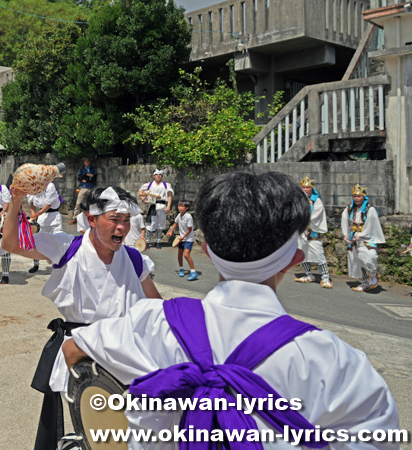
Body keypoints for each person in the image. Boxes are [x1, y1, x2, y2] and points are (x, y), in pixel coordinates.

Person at [62, 172, 399, 449]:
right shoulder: (335, 363)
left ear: (206, 251)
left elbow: (73, 350)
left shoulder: (150, 323)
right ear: (295, 259)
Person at [1, 185, 160, 450]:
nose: (121, 228)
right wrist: (17, 200)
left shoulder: (134, 259)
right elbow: (10, 243)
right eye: (114, 220)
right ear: (92, 220)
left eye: (125, 221)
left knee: (122, 436)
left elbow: (157, 308)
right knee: (84, 432)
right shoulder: (67, 247)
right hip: (77, 353)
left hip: (123, 353)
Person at [342, 184, 385, 293]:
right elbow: (344, 219)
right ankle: (363, 283)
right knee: (356, 261)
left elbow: (371, 224)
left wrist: (361, 234)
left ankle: (373, 274)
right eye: (355, 196)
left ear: (364, 197)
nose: (356, 198)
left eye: (359, 196)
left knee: (370, 256)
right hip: (354, 238)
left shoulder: (370, 209)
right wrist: (346, 234)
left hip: (366, 238)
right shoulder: (350, 209)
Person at [296, 176, 331, 288]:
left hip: (312, 231)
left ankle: (325, 278)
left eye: (307, 187)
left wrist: (305, 221)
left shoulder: (317, 201)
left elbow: (316, 215)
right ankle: (308, 275)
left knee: (319, 254)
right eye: (303, 187)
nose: (305, 189)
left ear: (311, 189)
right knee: (303, 254)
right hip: (301, 231)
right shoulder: (299, 200)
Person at [26, 181, 64, 274]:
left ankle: (59, 264)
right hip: (42, 217)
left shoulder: (50, 185)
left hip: (54, 215)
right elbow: (32, 204)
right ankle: (35, 264)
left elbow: (48, 205)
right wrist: (33, 215)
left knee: (59, 240)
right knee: (36, 240)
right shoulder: (32, 186)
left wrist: (37, 214)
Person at [138, 169, 174, 248]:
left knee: (160, 225)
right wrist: (143, 199)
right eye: (156, 174)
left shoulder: (166, 185)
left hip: (162, 206)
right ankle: (147, 241)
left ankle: (158, 241)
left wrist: (168, 206)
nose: (158, 176)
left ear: (162, 176)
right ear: (154, 176)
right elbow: (140, 192)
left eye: (160, 174)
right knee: (150, 224)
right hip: (153, 206)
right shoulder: (150, 184)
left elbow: (169, 195)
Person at [166, 199, 197, 280]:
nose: (180, 208)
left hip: (188, 239)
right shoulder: (179, 215)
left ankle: (193, 272)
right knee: (179, 254)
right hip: (181, 239)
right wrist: (171, 231)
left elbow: (190, 229)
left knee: (186, 255)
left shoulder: (188, 217)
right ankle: (181, 269)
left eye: (182, 206)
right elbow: (176, 223)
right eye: (179, 206)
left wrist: (183, 237)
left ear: (187, 208)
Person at [70, 158, 96, 225]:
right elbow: (79, 178)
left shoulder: (93, 169)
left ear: (90, 162)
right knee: (78, 203)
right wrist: (88, 176)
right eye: (85, 161)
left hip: (91, 188)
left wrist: (86, 179)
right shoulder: (81, 169)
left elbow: (94, 178)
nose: (86, 162)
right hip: (83, 187)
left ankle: (91, 218)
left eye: (88, 161)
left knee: (91, 203)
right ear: (84, 162)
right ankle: (75, 218)